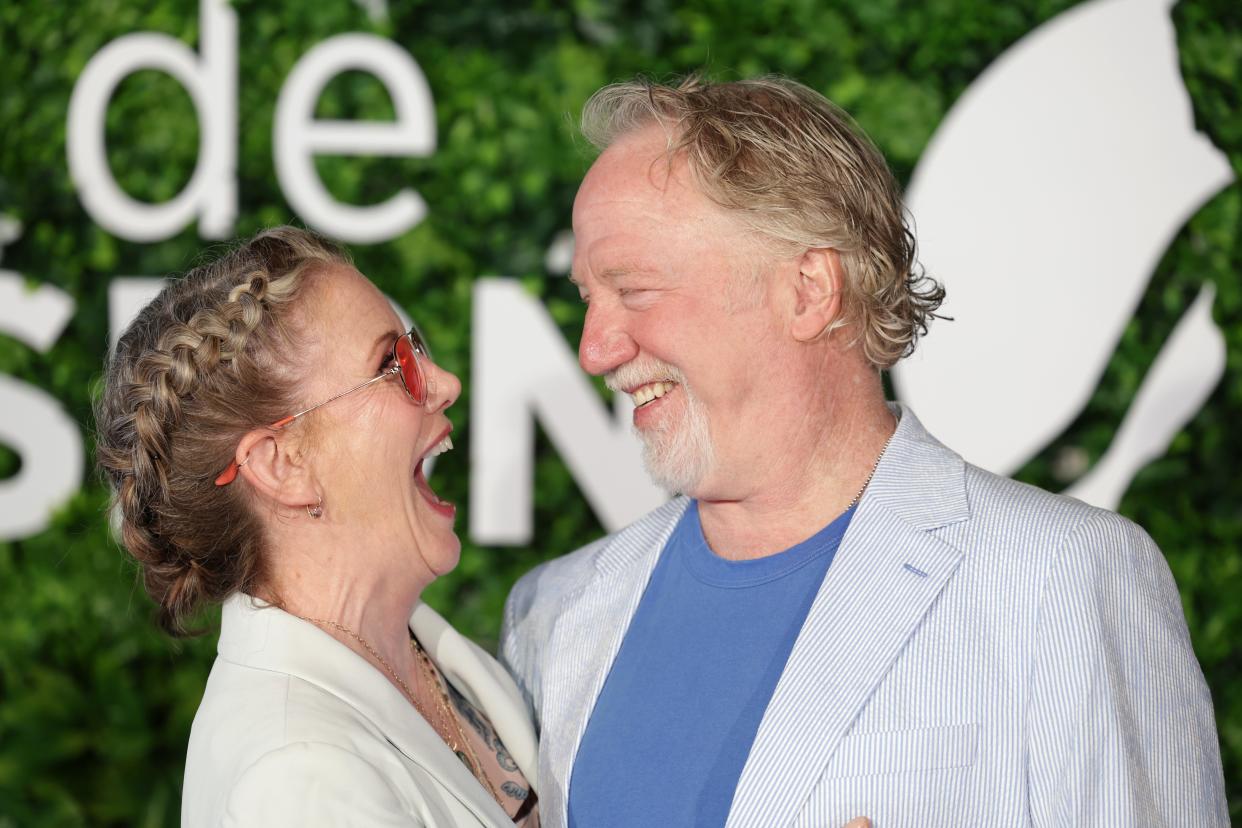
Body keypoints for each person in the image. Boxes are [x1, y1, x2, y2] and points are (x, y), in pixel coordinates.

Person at [500, 76, 1229, 826]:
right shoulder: (554, 613)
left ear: (809, 290)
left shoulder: (1057, 580)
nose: (595, 349)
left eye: (637, 289)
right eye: (589, 297)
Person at [95, 227, 539, 826]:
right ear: (283, 466)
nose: (445, 383)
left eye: (416, 347)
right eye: (393, 364)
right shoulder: (294, 781)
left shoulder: (425, 654)